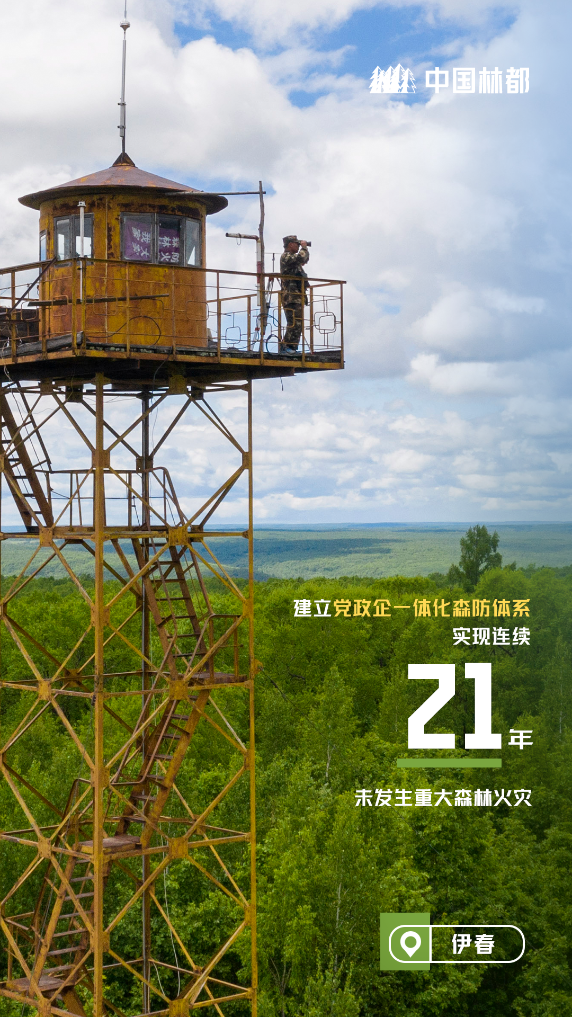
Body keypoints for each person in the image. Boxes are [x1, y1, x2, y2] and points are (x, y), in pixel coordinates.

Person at [280, 235, 309, 352]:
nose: (298, 246)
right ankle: (287, 346)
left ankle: (292, 347)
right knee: (293, 323)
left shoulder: (293, 259)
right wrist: (304, 248)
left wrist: (304, 250)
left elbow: (304, 259)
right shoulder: (286, 256)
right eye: (296, 244)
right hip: (290, 296)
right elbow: (301, 258)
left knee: (298, 323)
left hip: (296, 295)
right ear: (290, 244)